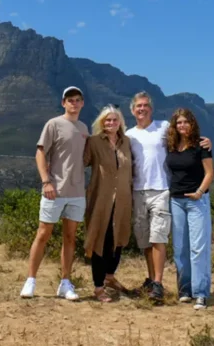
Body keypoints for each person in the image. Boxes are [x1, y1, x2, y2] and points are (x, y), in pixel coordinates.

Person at [126, 91, 211, 303]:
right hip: (141, 192)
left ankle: (167, 285)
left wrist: (206, 142)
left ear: (151, 108)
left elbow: (186, 137)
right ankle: (162, 283)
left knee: (160, 238)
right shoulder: (129, 135)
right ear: (133, 110)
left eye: (145, 105)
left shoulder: (163, 127)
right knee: (149, 241)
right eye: (138, 106)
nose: (142, 109)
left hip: (163, 191)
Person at [20, 86, 89, 301]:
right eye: (70, 100)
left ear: (82, 103)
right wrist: (46, 181)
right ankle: (31, 280)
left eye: (77, 100)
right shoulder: (53, 124)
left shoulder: (84, 128)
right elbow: (40, 153)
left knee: (70, 237)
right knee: (43, 234)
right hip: (54, 190)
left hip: (77, 192)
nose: (74, 103)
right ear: (63, 103)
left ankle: (65, 283)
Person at [166, 108, 214, 310]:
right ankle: (185, 290)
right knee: (180, 248)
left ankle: (200, 293)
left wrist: (199, 192)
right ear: (174, 126)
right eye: (179, 122)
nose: (182, 125)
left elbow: (210, 173)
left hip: (196, 201)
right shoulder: (171, 145)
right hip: (176, 201)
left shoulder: (201, 145)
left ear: (192, 123)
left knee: (198, 248)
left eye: (186, 122)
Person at [82, 104, 132, 303]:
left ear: (120, 122)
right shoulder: (94, 142)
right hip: (101, 199)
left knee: (118, 238)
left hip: (123, 200)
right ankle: (98, 287)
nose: (111, 123)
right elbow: (81, 162)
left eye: (115, 119)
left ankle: (110, 277)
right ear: (102, 123)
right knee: (100, 240)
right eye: (107, 120)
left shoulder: (126, 142)